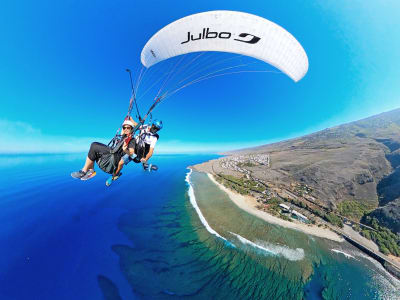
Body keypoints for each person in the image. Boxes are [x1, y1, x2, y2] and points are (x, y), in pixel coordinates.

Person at [71, 117, 162, 182]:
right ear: (152, 125)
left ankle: (115, 175)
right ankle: (89, 170)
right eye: (154, 128)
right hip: (124, 147)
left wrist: (145, 159)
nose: (155, 130)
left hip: (136, 151)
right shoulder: (145, 127)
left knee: (121, 162)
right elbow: (135, 125)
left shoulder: (152, 138)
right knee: (94, 146)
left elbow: (150, 151)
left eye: (157, 129)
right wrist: (130, 119)